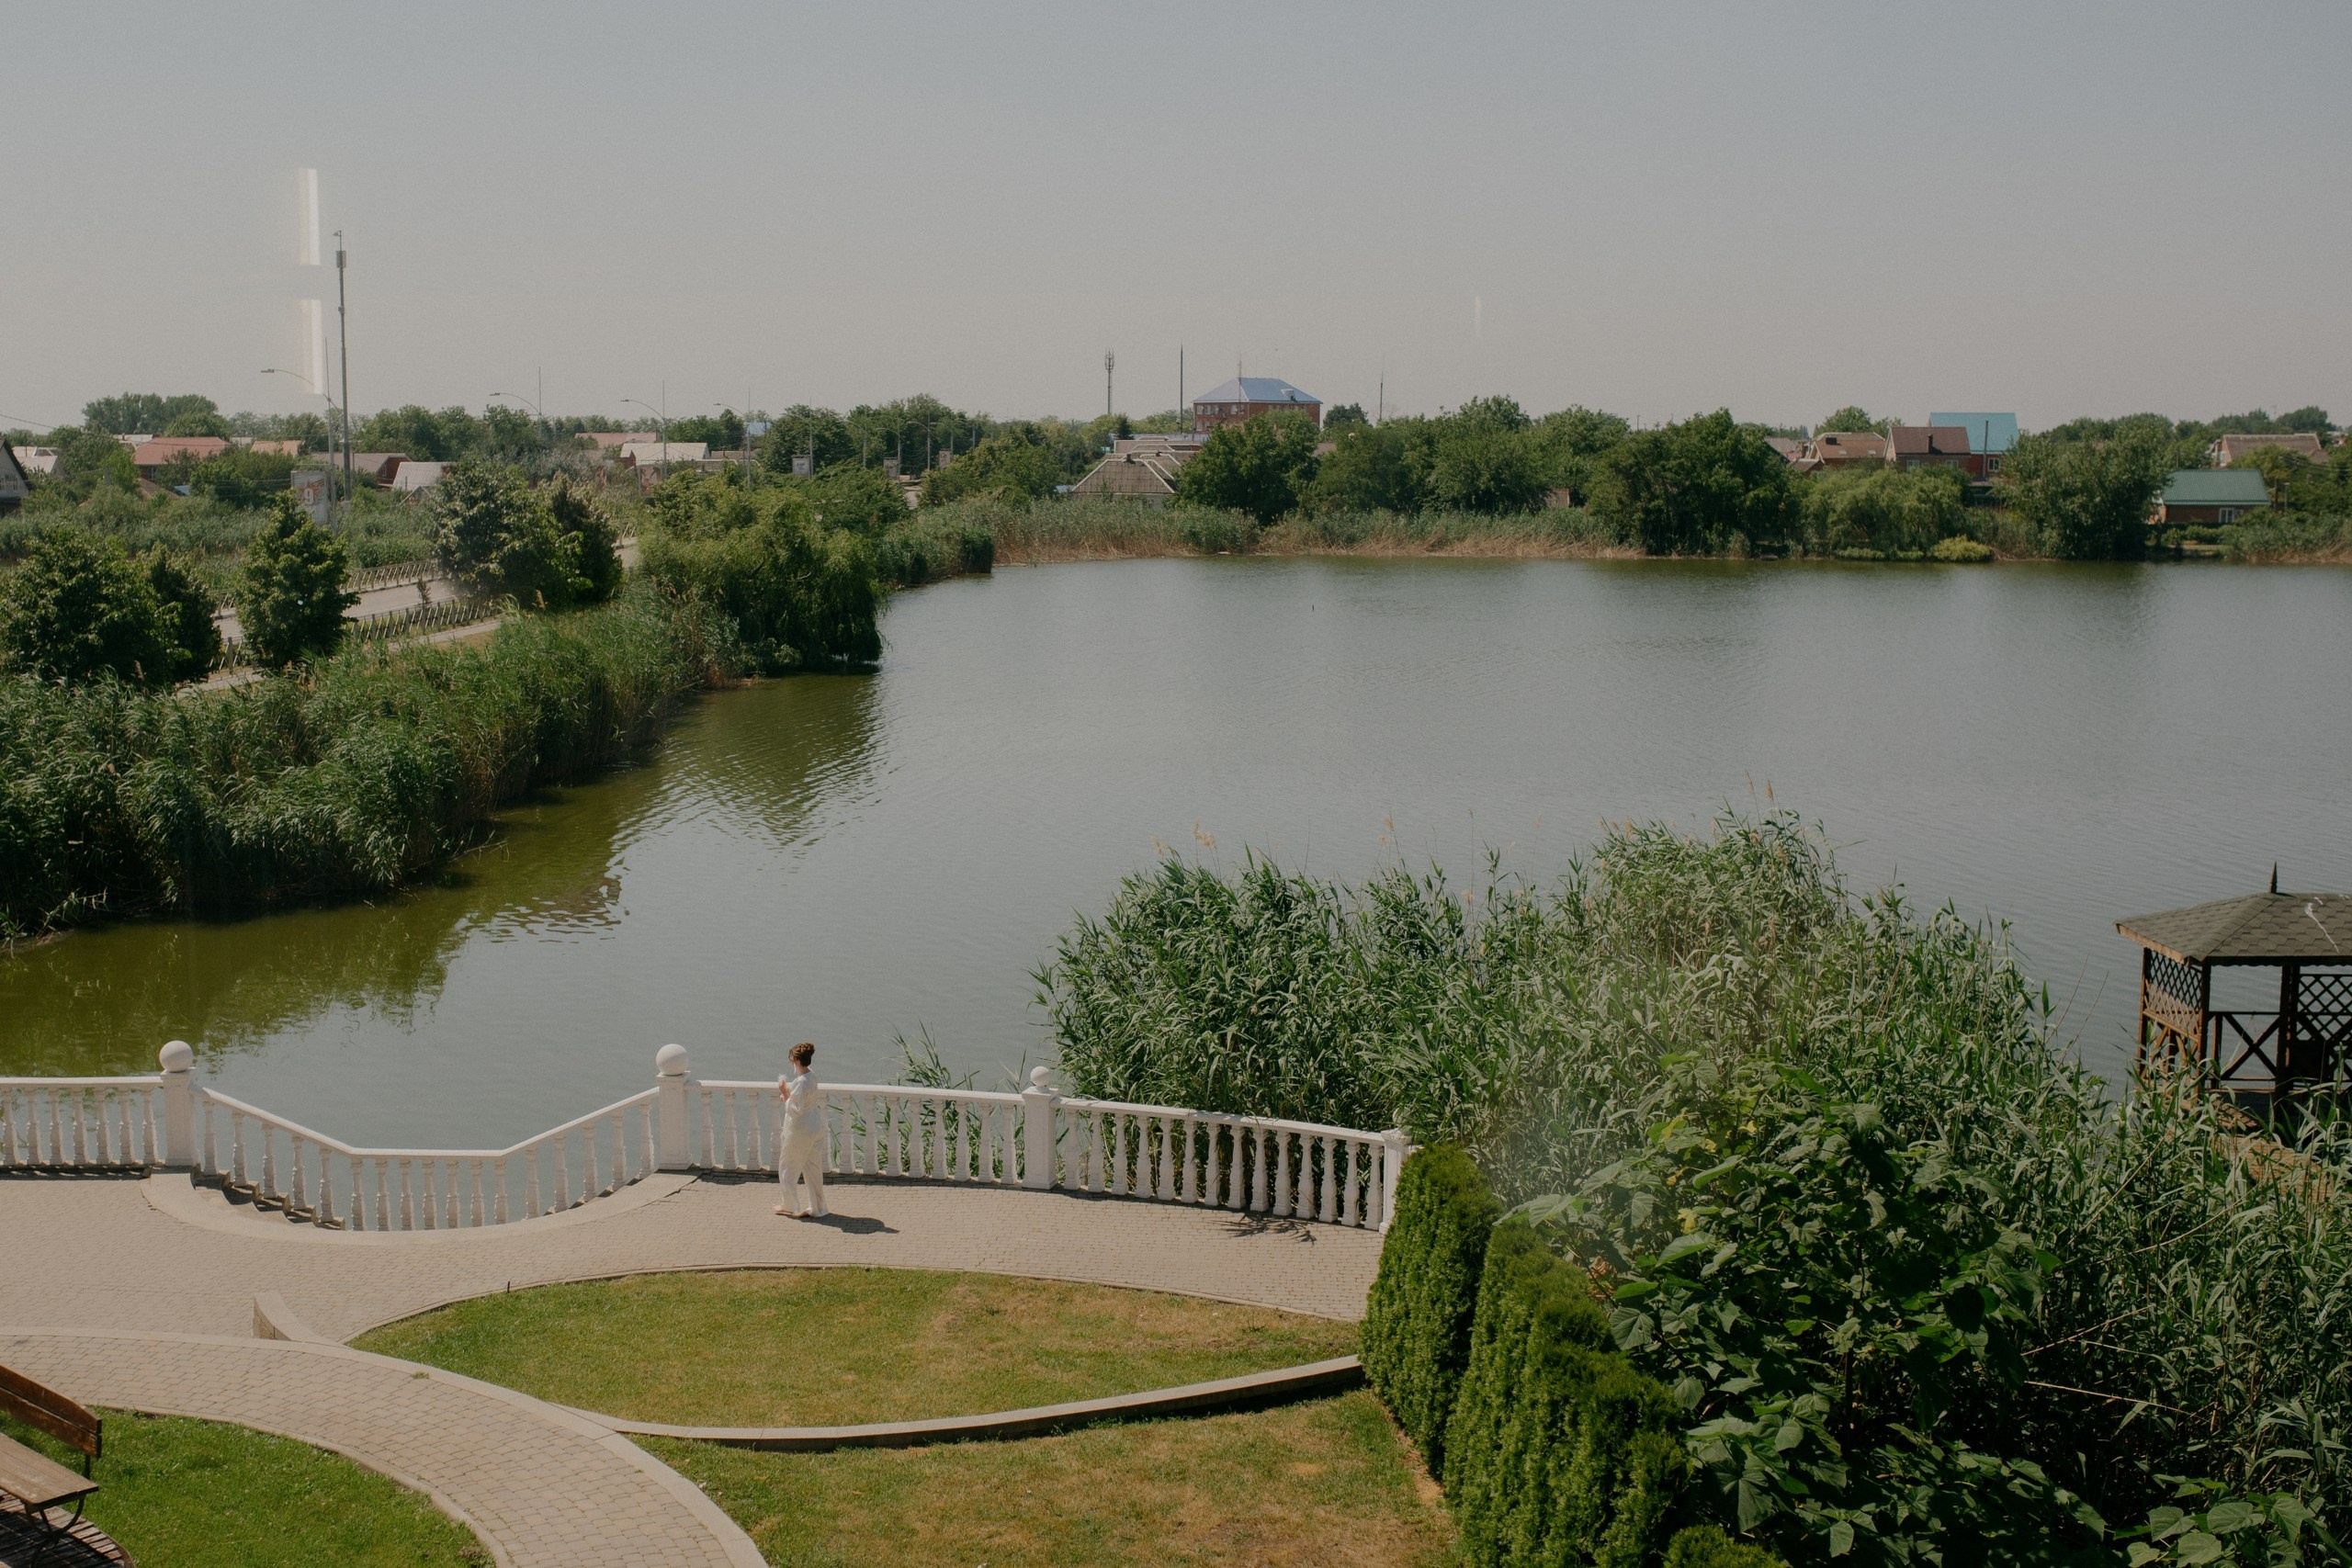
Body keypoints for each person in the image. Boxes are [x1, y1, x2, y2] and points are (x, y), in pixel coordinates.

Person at [775, 1041, 830, 1217]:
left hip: (801, 1130)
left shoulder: (800, 1082)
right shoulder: (812, 1076)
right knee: (813, 1167)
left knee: (787, 1166)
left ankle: (789, 1205)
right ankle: (818, 1208)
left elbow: (796, 1110)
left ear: (797, 1061)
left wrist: (784, 1092)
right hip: (815, 1126)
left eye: (792, 1059)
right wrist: (789, 1098)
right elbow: (803, 1103)